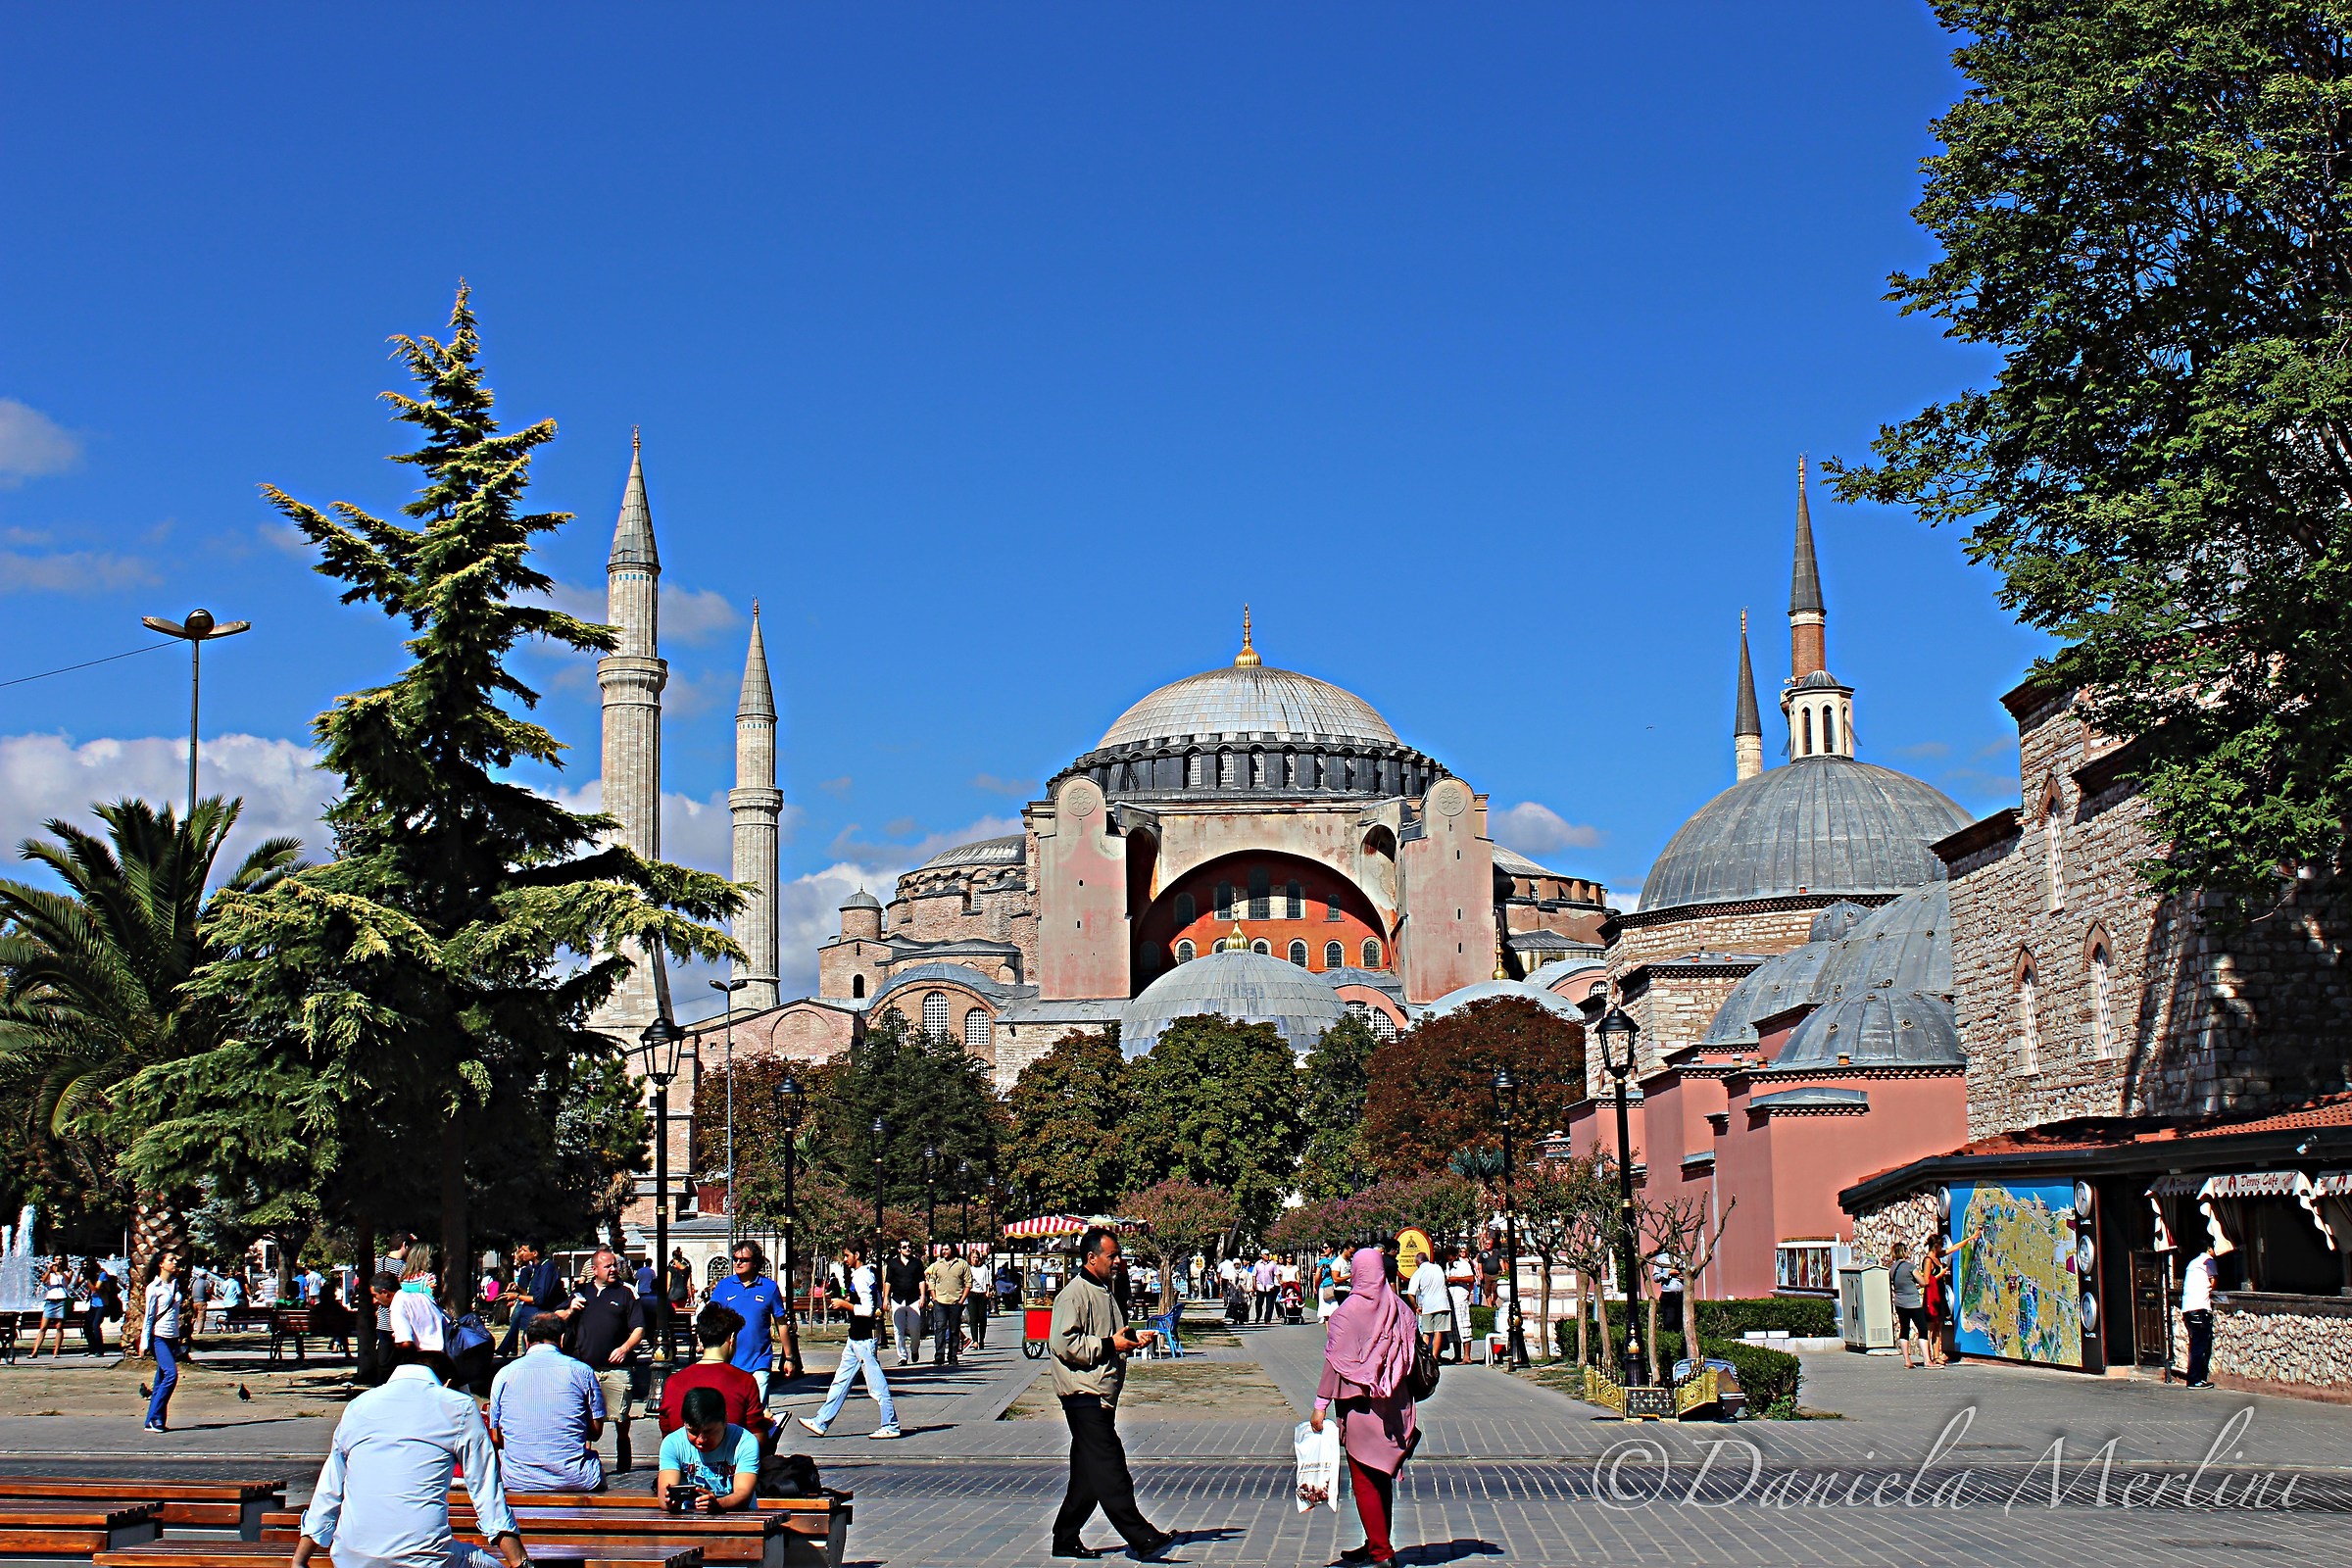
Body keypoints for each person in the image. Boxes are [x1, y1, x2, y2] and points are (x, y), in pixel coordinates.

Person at [294, 1346, 528, 1568]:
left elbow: (329, 1489)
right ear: (446, 1383)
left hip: (350, 1556)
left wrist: (300, 1559)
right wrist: (520, 1561)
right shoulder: (458, 1406)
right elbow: (486, 1492)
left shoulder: (358, 1406)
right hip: (422, 1556)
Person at [1049, 1225, 1170, 1562]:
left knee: (1088, 1475)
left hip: (1102, 1391)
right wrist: (1110, 1344)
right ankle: (1141, 1536)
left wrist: (1130, 1339)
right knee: (1111, 1464)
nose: (1118, 1261)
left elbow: (1110, 1335)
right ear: (1091, 1258)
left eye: (1118, 1255)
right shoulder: (1073, 1294)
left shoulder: (1105, 1290)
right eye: (1111, 1255)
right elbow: (1063, 1343)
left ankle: (1065, 1538)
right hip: (1082, 1392)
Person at [1314, 1246, 1420, 1566]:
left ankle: (1381, 1552)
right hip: (1395, 1406)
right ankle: (1375, 1540)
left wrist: (1320, 1405)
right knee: (1380, 1477)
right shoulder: (1399, 1308)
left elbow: (1335, 1363)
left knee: (1363, 1481)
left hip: (1361, 1408)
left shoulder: (1347, 1312)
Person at [486, 1311, 606, 1493]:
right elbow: (595, 1432)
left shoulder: (504, 1375)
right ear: (562, 1339)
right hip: (574, 1479)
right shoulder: (582, 1371)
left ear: (526, 1340)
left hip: (518, 1479)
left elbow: (496, 1436)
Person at [799, 1238, 901, 1440]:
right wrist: (850, 1300)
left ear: (857, 1255)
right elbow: (876, 1302)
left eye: (847, 1255)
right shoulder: (867, 1274)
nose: (844, 1259)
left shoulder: (861, 1276)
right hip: (856, 1338)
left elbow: (868, 1310)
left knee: (876, 1384)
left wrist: (845, 1305)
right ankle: (821, 1421)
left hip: (863, 1338)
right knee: (840, 1380)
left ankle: (891, 1424)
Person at [563, 1248, 646, 1473]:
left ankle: (623, 1455)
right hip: (584, 1368)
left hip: (616, 1368)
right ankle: (584, 1457)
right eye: (607, 1266)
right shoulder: (580, 1293)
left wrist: (625, 1347)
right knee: (584, 1416)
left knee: (620, 1416)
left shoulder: (625, 1292)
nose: (613, 1269)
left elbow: (638, 1327)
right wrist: (570, 1310)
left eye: (615, 1265)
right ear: (595, 1269)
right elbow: (555, 1317)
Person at [659, 1304, 768, 1439]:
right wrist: (765, 1424)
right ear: (732, 1338)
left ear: (701, 1339)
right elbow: (757, 1440)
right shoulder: (744, 1381)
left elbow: (667, 1434)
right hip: (731, 1457)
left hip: (684, 1459)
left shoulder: (672, 1382)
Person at [707, 1242, 794, 1401]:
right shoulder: (724, 1286)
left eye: (744, 1259)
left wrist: (789, 1357)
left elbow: (781, 1323)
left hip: (760, 1361)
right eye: (735, 1259)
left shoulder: (769, 1288)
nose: (738, 1263)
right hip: (730, 1362)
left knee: (758, 1412)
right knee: (733, 1410)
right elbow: (711, 1317)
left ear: (755, 1263)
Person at [658, 1387, 759, 1514]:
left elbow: (743, 1494)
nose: (701, 1440)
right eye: (693, 1432)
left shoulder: (744, 1441)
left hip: (738, 1516)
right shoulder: (672, 1443)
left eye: (709, 1432)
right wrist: (669, 1502)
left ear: (725, 1421)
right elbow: (664, 1492)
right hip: (690, 1519)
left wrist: (717, 1504)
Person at [139, 1253, 187, 1433]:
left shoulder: (174, 1285)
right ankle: (154, 1417)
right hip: (158, 1336)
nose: (175, 1262)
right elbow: (149, 1316)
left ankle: (155, 1420)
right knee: (171, 1375)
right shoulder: (154, 1287)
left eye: (176, 1259)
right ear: (161, 1264)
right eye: (171, 1260)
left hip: (172, 1337)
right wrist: (144, 1342)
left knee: (160, 1380)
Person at [500, 1242, 564, 1355]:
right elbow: (531, 1294)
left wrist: (517, 1296)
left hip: (539, 1319)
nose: (521, 1253)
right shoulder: (535, 1268)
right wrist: (518, 1289)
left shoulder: (547, 1267)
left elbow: (540, 1298)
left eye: (524, 1250)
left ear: (534, 1253)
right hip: (528, 1321)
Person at [392, 1247, 447, 1360]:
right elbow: (433, 1302)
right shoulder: (430, 1278)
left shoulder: (403, 1279)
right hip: (431, 1335)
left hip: (412, 1334)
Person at [924, 1244, 971, 1366]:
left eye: (947, 1249)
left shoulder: (962, 1264)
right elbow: (932, 1281)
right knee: (940, 1327)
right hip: (940, 1301)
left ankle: (953, 1356)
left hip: (956, 1301)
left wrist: (961, 1300)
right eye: (943, 1249)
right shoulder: (937, 1265)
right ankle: (939, 1355)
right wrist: (934, 1298)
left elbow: (968, 1283)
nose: (944, 1252)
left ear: (952, 1250)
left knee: (954, 1329)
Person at [2180, 1246, 2219, 1389]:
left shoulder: (2192, 1263)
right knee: (2200, 1346)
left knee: (2194, 1344)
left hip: (2188, 1308)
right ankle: (2194, 1380)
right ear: (2210, 1248)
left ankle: (2194, 1378)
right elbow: (2213, 1283)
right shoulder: (2208, 1261)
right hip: (2199, 1308)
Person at [884, 1240, 927, 1367]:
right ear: (899, 1249)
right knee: (898, 1330)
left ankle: (914, 1350)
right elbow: (888, 1282)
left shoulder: (917, 1263)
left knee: (914, 1329)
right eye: (904, 1247)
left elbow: (921, 1281)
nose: (907, 1249)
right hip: (897, 1299)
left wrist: (923, 1296)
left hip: (913, 1299)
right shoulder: (893, 1264)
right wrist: (886, 1298)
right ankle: (902, 1356)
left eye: (909, 1246)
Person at [1890, 1241, 1932, 1369]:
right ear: (1904, 1251)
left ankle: (1907, 1360)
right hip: (1912, 1303)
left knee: (1904, 1329)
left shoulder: (1892, 1269)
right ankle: (1927, 1360)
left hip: (1899, 1302)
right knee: (1923, 1329)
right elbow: (1924, 1282)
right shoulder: (1909, 1267)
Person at [1405, 1247, 1449, 1362]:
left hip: (1427, 1306)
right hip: (1442, 1304)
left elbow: (1410, 1293)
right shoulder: (1438, 1267)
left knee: (1426, 1332)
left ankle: (1424, 1358)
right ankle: (1434, 1357)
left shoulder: (1419, 1272)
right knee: (1438, 1331)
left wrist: (1416, 1307)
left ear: (1417, 1262)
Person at [30, 1253, 72, 1358]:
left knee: (59, 1326)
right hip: (50, 1300)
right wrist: (49, 1270)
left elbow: (67, 1281)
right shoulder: (50, 1273)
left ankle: (56, 1351)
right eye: (57, 1259)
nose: (59, 1261)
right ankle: (35, 1351)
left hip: (61, 1299)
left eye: (61, 1259)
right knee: (43, 1327)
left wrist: (59, 1271)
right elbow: (43, 1281)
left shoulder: (68, 1271)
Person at [1445, 1248, 1475, 1363]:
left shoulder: (1464, 1265)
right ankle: (1457, 1355)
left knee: (1464, 1326)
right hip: (1451, 1298)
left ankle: (1467, 1356)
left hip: (1460, 1298)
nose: (1450, 1261)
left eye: (1451, 1258)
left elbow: (1471, 1278)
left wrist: (1455, 1279)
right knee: (1454, 1328)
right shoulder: (1448, 1265)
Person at [965, 1246, 992, 1349]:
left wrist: (987, 1292)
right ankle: (975, 1340)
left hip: (982, 1294)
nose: (975, 1259)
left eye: (976, 1257)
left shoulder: (984, 1268)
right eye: (973, 1257)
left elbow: (988, 1281)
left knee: (982, 1318)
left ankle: (981, 1339)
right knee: (973, 1318)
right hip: (972, 1294)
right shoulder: (968, 1268)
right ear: (970, 1258)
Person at [1251, 1251, 1278, 1323]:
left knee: (1270, 1304)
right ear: (1262, 1255)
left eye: (1268, 1254)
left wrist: (1276, 1284)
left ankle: (1267, 1319)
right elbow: (1254, 1275)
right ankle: (1258, 1315)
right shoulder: (1257, 1264)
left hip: (1270, 1286)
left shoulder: (1272, 1264)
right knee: (1259, 1302)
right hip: (1260, 1286)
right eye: (1266, 1254)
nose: (1267, 1256)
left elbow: (1276, 1274)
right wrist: (1254, 1285)